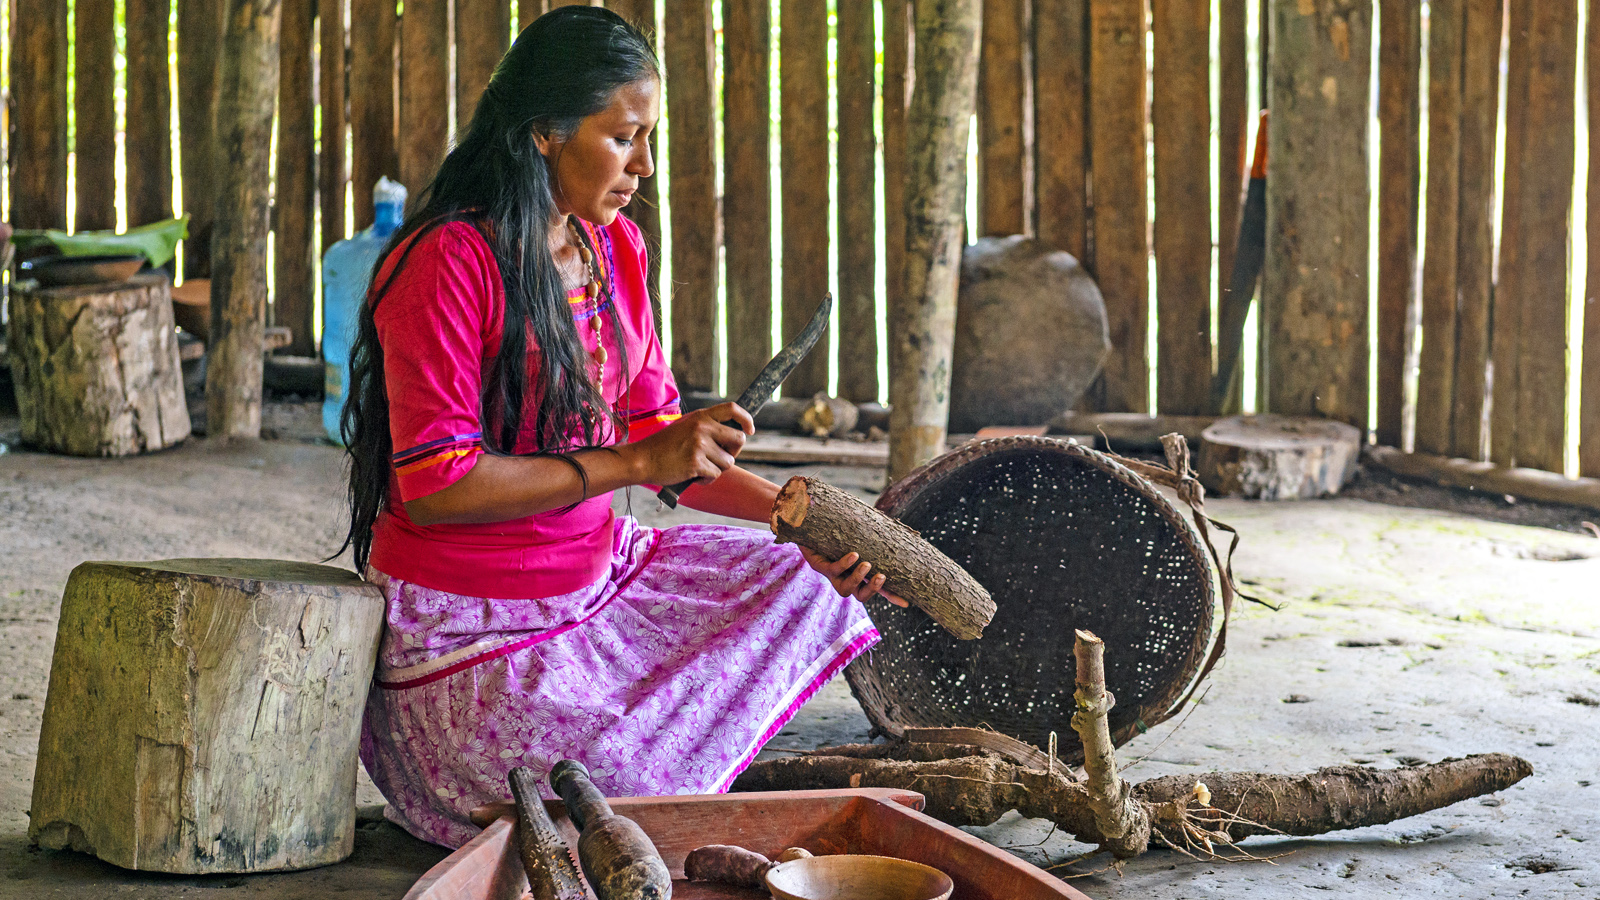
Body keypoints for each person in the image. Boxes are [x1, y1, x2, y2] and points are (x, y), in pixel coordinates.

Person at [338, 7, 901, 849]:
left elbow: (666, 451)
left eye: (649, 138)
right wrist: (637, 456)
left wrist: (793, 520)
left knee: (805, 584)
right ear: (544, 133)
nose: (642, 165)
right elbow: (439, 484)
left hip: (596, 584)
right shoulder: (446, 261)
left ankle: (650, 778)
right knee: (619, 786)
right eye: (623, 137)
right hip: (471, 633)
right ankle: (623, 787)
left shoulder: (613, 252)